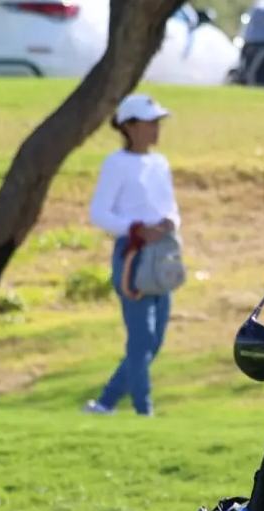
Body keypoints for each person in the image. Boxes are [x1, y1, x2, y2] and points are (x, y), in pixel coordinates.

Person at [84, 93, 180, 417]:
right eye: (150, 123)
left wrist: (169, 223)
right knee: (141, 339)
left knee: (154, 342)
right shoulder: (116, 163)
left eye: (157, 123)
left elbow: (171, 207)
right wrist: (136, 228)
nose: (156, 129)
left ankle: (106, 403)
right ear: (130, 126)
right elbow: (99, 213)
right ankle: (144, 411)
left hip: (162, 254)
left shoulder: (160, 163)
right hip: (133, 255)